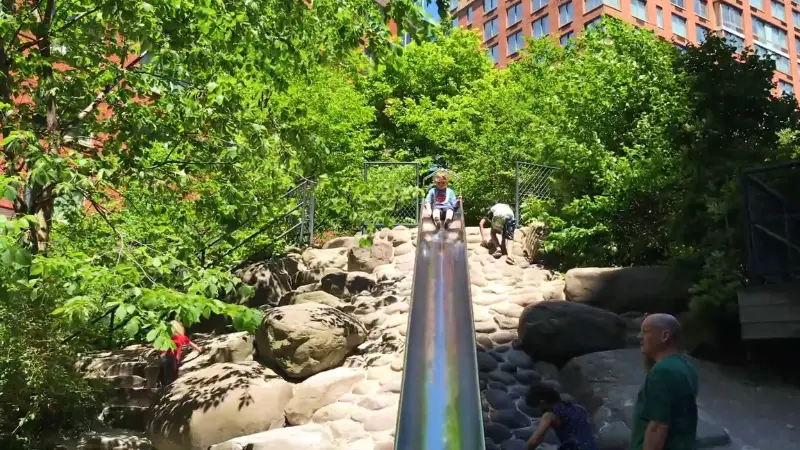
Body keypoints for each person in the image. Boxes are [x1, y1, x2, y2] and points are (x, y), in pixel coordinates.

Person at [629, 313, 698, 450]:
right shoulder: (685, 366)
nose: (639, 337)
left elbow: (657, 428)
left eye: (645, 332)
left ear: (664, 336)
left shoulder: (661, 372)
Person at [524, 383, 598, 450]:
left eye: (537, 407)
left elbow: (534, 441)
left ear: (542, 403)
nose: (539, 411)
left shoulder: (550, 415)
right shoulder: (579, 408)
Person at [158, 320, 203, 387]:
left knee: (166, 376)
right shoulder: (181, 337)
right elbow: (191, 344)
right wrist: (200, 350)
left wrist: (160, 355)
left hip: (164, 357)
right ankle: (169, 389)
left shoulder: (166, 337)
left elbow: (160, 348)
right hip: (172, 358)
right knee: (172, 376)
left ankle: (163, 388)